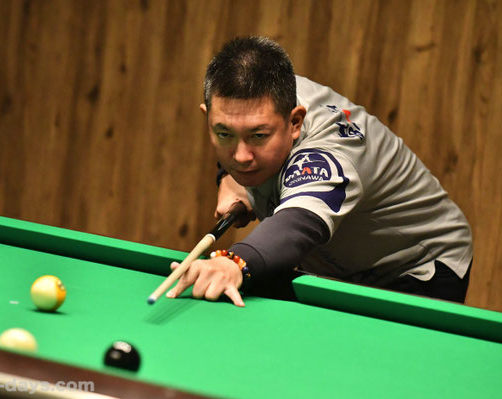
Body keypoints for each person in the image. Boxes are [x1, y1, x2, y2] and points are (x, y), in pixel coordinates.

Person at [166, 36, 473, 306]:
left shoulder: (327, 155)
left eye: (258, 136)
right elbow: (238, 136)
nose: (241, 156)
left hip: (416, 267)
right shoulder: (260, 96)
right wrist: (228, 178)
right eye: (224, 134)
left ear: (294, 122)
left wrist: (234, 261)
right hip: (338, 263)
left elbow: (298, 223)